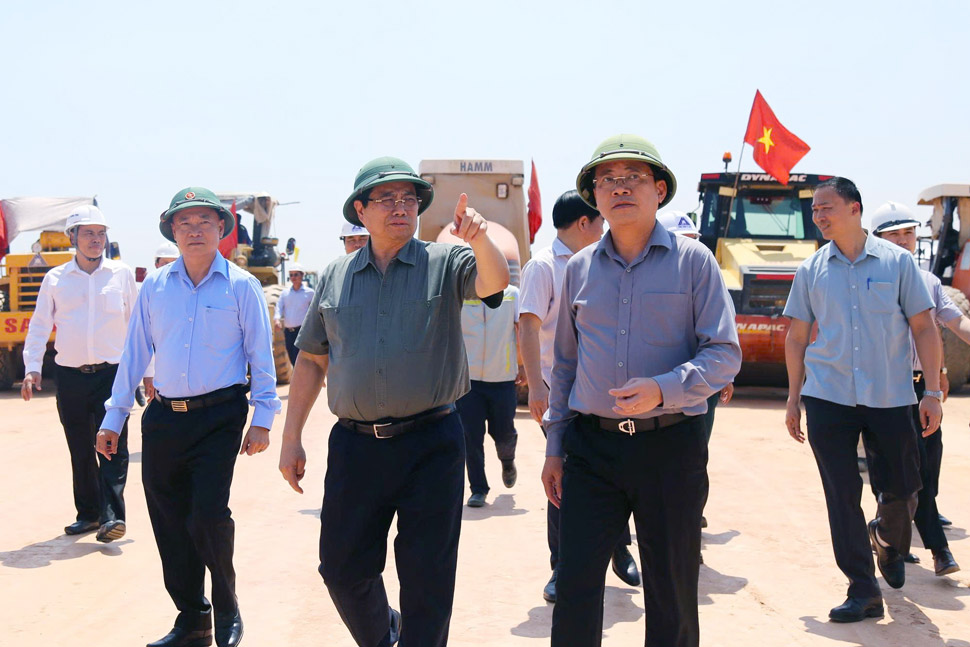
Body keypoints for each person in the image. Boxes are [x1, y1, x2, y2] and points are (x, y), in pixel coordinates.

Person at [278, 156, 509, 647]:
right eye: (385, 199)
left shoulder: (446, 262)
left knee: (427, 581)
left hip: (432, 443)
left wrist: (480, 238)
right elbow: (311, 361)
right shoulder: (335, 276)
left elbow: (493, 284)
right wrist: (291, 437)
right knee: (341, 569)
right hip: (356, 448)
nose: (399, 207)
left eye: (409, 199)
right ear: (361, 211)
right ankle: (385, 636)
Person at [541, 135, 741, 647]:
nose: (619, 187)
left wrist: (664, 388)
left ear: (659, 190)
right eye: (607, 179)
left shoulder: (695, 263)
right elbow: (564, 365)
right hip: (592, 449)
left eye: (633, 177)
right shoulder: (579, 270)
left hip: (670, 446)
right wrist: (556, 445)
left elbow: (724, 352)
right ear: (594, 196)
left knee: (672, 591)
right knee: (577, 586)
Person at [98, 187, 281, 647]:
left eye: (205, 221)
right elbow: (134, 354)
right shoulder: (154, 288)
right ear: (172, 232)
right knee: (169, 520)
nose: (195, 230)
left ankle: (226, 606)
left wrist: (263, 416)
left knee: (207, 516)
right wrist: (114, 417)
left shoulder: (243, 285)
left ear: (222, 230)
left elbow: (261, 355)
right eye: (185, 222)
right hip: (163, 420)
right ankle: (192, 617)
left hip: (219, 417)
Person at [783, 178, 943, 624]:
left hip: (890, 397)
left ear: (854, 208)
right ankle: (862, 587)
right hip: (828, 398)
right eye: (814, 210)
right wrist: (794, 399)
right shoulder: (811, 270)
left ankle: (888, 540)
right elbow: (796, 338)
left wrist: (931, 391)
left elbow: (925, 328)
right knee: (841, 496)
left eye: (826, 207)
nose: (818, 216)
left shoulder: (898, 263)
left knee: (905, 489)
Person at [519, 190, 641, 603]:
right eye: (600, 222)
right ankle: (562, 568)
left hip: (606, 392)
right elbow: (529, 327)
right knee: (565, 479)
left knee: (615, 466)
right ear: (584, 223)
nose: (606, 228)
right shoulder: (543, 267)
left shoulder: (604, 263)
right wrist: (537, 386)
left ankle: (618, 547)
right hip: (561, 393)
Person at [21, 205, 142, 543]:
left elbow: (137, 327)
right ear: (71, 237)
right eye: (88, 233)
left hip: (112, 375)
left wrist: (147, 373)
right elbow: (40, 325)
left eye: (100, 233)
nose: (95, 240)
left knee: (113, 446)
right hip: (70, 376)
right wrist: (32, 368)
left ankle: (112, 518)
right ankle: (88, 515)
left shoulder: (121, 275)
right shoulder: (56, 279)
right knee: (79, 447)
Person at [869, 201, 964, 576]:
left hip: (921, 389)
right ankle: (928, 548)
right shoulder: (869, 282)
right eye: (894, 234)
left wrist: (936, 376)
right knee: (900, 475)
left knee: (927, 469)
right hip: (884, 392)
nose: (904, 240)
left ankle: (903, 540)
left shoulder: (928, 282)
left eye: (909, 232)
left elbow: (955, 325)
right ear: (877, 240)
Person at [658, 209, 735, 536]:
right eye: (683, 241)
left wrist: (726, 376)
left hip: (699, 385)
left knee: (694, 454)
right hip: (656, 386)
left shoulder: (707, 272)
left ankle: (689, 517)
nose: (691, 249)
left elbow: (724, 332)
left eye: (694, 241)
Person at [458, 282, 520, 508]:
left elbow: (521, 329)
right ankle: (478, 489)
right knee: (470, 436)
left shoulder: (512, 294)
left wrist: (521, 365)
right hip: (468, 381)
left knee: (503, 431)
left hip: (502, 377)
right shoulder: (460, 294)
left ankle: (507, 460)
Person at [273, 262, 314, 366]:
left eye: (296, 274)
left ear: (302, 275)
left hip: (302, 332)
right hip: (288, 332)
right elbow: (279, 307)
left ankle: (302, 381)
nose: (293, 277)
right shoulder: (285, 293)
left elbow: (315, 311)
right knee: (292, 357)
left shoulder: (310, 293)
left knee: (299, 359)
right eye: (291, 275)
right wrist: (277, 319)